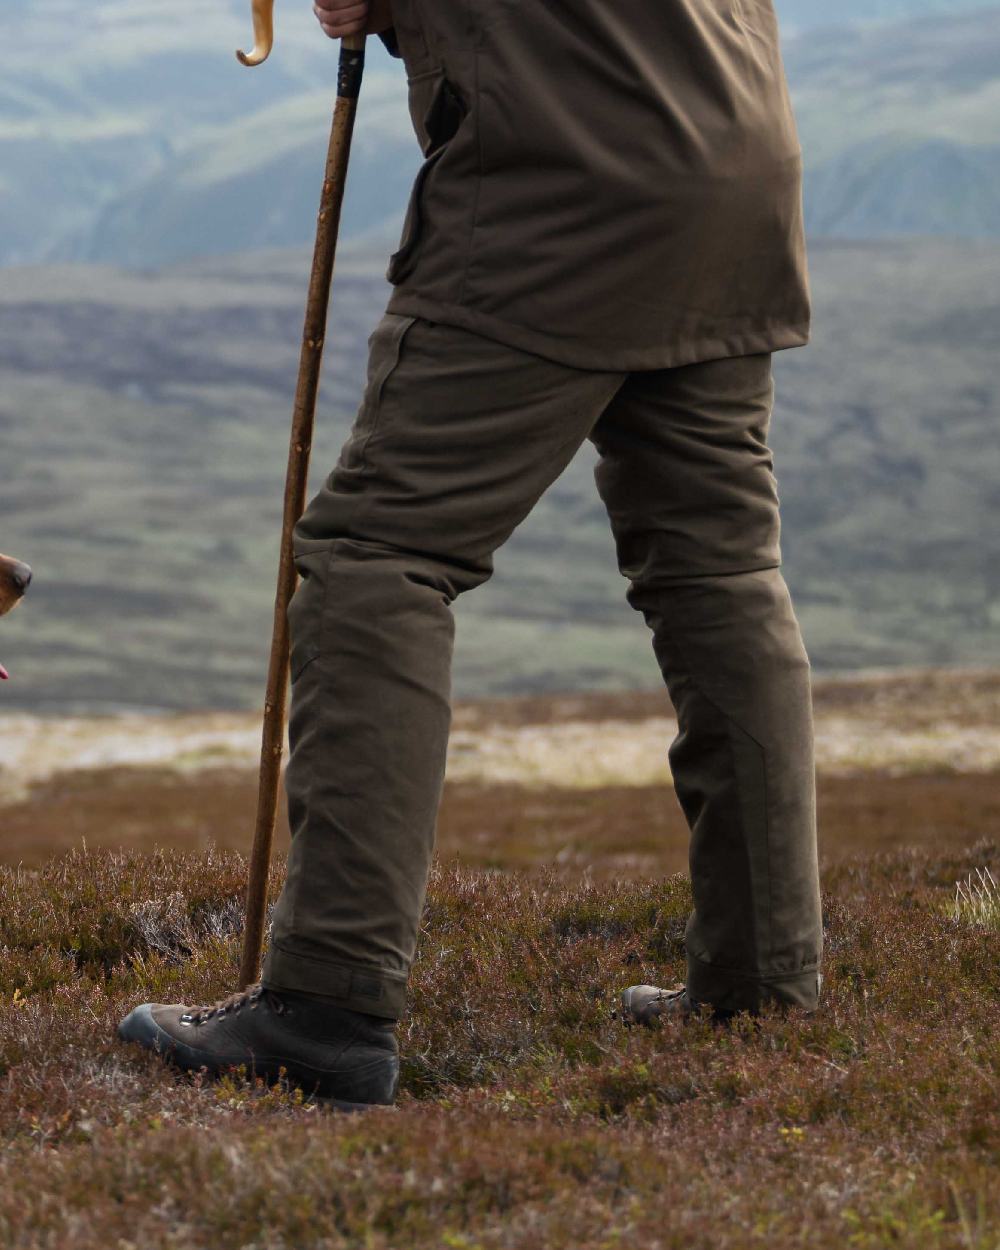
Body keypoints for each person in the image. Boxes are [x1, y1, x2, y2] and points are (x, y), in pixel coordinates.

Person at [119, 0, 823, 1108]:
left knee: (374, 558)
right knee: (720, 575)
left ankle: (325, 1005)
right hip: (729, 159)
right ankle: (759, 981)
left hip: (563, 185)